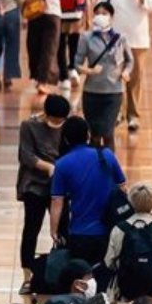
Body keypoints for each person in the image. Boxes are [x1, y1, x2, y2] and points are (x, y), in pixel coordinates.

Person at [48, 116, 129, 278]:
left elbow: (57, 200)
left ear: (65, 138)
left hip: (80, 233)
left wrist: (54, 230)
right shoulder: (106, 155)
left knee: (82, 279)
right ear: (88, 135)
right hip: (109, 230)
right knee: (106, 279)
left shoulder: (62, 164)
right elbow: (123, 187)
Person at [97, 0, 152, 132]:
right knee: (115, 79)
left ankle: (133, 116)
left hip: (138, 42)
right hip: (115, 42)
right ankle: (118, 113)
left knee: (135, 81)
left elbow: (149, 6)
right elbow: (100, 9)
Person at [17, 94, 70, 276]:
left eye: (60, 120)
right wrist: (48, 167)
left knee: (64, 227)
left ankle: (64, 263)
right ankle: (27, 267)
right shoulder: (29, 126)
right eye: (54, 119)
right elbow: (26, 155)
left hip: (61, 185)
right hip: (35, 185)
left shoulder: (68, 126)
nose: (57, 123)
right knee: (32, 227)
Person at [74, 1, 133, 148]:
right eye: (98, 13)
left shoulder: (120, 38)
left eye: (104, 13)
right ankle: (94, 165)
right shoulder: (86, 38)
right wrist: (89, 71)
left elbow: (129, 60)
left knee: (107, 132)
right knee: (94, 134)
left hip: (114, 92)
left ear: (111, 17)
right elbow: (76, 63)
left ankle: (109, 166)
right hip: (92, 92)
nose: (100, 16)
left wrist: (126, 72)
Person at [53, 0, 89, 91]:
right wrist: (87, 17)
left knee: (60, 45)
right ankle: (72, 69)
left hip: (60, 13)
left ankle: (63, 78)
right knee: (74, 42)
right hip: (77, 14)